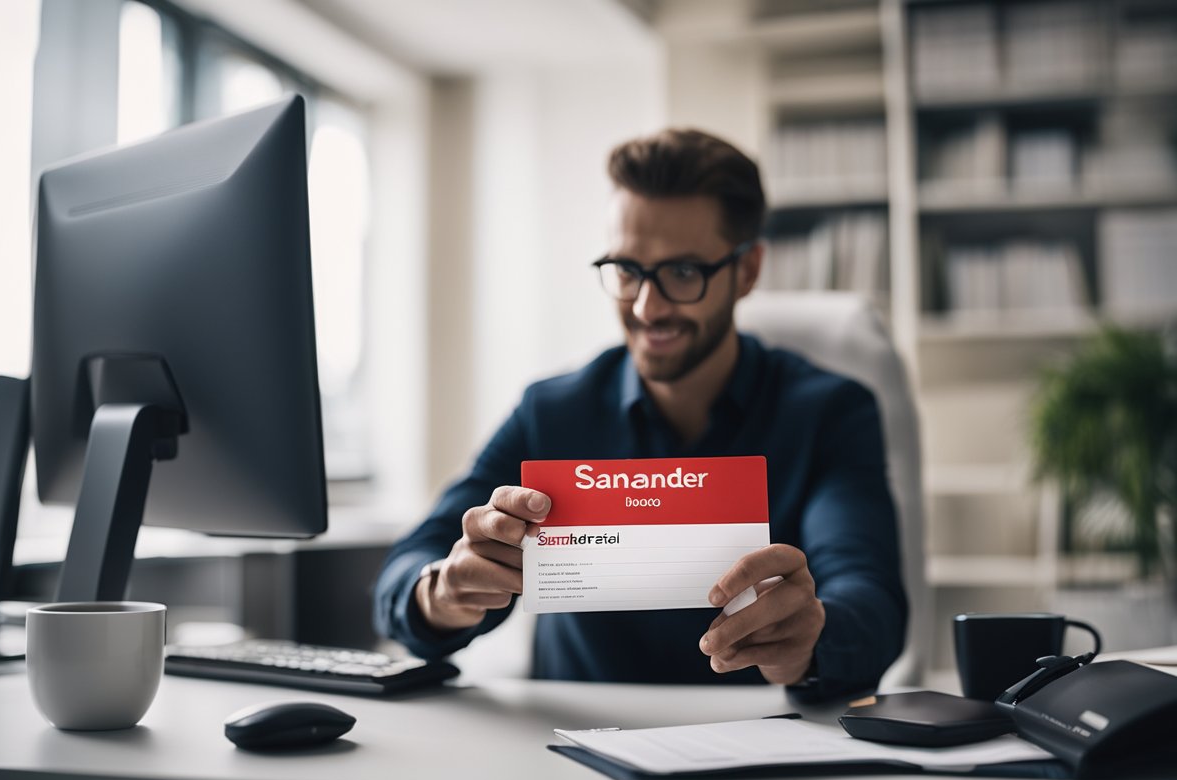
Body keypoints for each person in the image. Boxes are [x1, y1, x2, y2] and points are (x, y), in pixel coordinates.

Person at [374, 128, 906, 701]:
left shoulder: (828, 412)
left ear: (747, 270)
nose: (648, 307)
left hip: (759, 744)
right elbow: (407, 569)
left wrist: (813, 636)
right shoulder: (552, 411)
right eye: (627, 270)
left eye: (682, 273)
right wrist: (442, 594)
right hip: (569, 747)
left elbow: (869, 596)